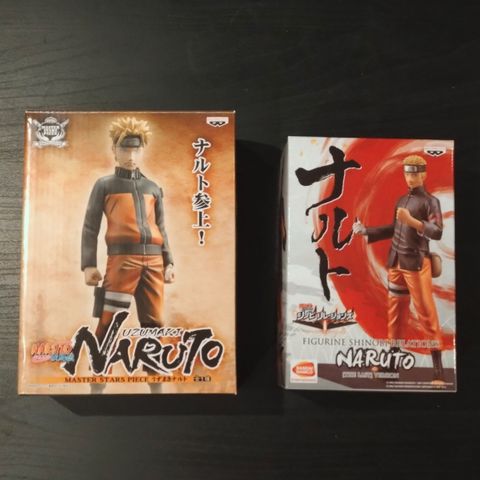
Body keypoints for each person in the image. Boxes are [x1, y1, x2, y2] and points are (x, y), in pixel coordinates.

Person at [81, 117, 174, 392]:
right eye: (125, 149)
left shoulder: (153, 188)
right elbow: (90, 226)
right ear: (114, 150)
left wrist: (169, 261)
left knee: (154, 324)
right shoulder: (104, 185)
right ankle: (97, 385)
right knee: (109, 322)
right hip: (122, 262)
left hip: (154, 264)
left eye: (136, 150)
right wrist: (88, 264)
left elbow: (162, 227)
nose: (131, 156)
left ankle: (156, 387)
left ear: (142, 150)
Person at [353, 155, 445, 384]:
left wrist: (412, 221)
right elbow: (395, 228)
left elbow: (437, 231)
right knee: (395, 315)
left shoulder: (431, 201)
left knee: (426, 313)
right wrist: (366, 231)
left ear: (423, 174)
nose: (410, 177)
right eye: (407, 173)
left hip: (416, 263)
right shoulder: (402, 200)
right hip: (396, 262)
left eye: (415, 173)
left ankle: (439, 370)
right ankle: (392, 363)